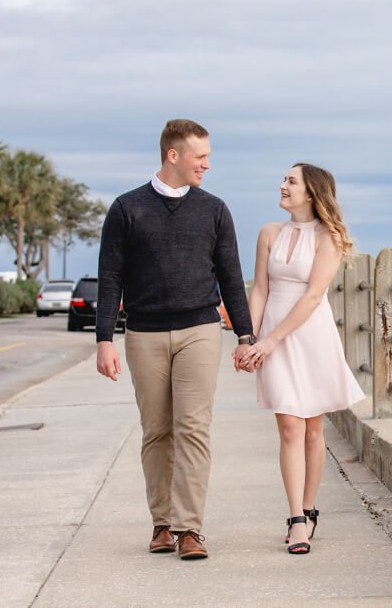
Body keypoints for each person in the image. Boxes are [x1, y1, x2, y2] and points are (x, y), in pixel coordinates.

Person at [95, 119, 256, 560]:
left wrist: (245, 335)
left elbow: (230, 278)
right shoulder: (127, 209)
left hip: (200, 331)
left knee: (193, 429)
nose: (206, 164)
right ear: (173, 155)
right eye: (200, 156)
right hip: (143, 333)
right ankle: (162, 523)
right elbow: (110, 278)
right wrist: (104, 339)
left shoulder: (214, 209)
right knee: (157, 431)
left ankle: (189, 529)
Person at [234, 163, 365, 555]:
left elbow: (312, 297)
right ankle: (296, 519)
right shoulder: (268, 233)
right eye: (284, 179)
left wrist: (270, 341)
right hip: (271, 336)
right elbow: (259, 289)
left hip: (310, 336)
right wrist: (249, 339)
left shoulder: (329, 237)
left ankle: (309, 508)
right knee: (289, 426)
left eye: (291, 181)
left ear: (311, 192)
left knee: (311, 429)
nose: (282, 185)